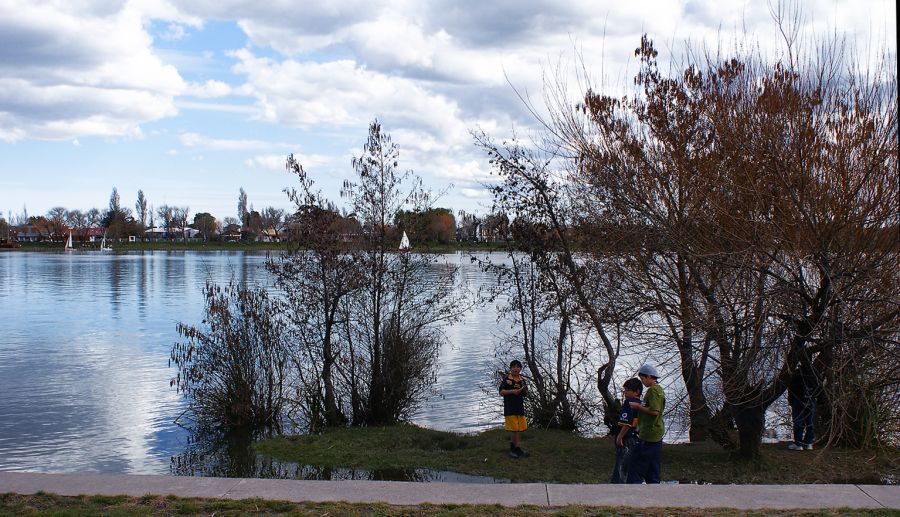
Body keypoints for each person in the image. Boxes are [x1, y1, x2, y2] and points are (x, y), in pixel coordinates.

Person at [627, 363, 665, 484]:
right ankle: (653, 489)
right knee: (653, 468)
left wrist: (637, 406)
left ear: (649, 377)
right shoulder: (659, 390)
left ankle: (632, 492)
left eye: (643, 379)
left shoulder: (653, 391)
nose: (642, 382)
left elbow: (654, 411)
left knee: (635, 466)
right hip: (656, 434)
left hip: (649, 434)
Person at [610, 377, 643, 483]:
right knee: (632, 468)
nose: (625, 392)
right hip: (637, 439)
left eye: (628, 390)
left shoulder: (629, 403)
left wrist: (620, 437)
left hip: (627, 438)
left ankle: (618, 493)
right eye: (624, 390)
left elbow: (627, 422)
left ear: (637, 392)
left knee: (621, 469)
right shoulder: (641, 404)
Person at [499, 359, 529, 458]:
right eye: (513, 367)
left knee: (518, 429)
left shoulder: (522, 380)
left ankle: (517, 449)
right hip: (510, 408)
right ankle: (513, 449)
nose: (515, 369)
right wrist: (512, 391)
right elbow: (501, 392)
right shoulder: (507, 379)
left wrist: (525, 390)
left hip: (519, 408)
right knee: (514, 430)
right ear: (511, 369)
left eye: (517, 367)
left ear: (520, 369)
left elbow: (524, 394)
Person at [787, 358, 816, 450]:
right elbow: (819, 386)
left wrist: (791, 400)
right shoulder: (815, 372)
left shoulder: (797, 373)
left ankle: (798, 444)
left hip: (798, 399)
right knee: (810, 422)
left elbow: (791, 388)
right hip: (811, 399)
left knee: (798, 421)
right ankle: (808, 443)